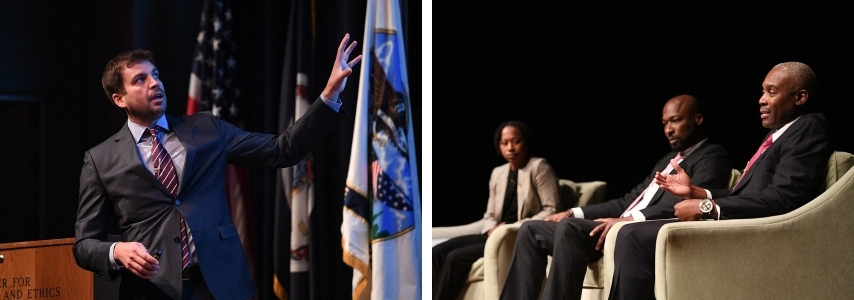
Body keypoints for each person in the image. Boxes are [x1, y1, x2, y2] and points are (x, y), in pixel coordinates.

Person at [72, 34, 362, 300]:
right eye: (140, 79)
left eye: (155, 75)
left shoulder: (205, 128)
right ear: (119, 99)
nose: (154, 83)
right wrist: (116, 250)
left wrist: (329, 97)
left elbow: (280, 150)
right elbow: (83, 245)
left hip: (221, 286)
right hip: (152, 290)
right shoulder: (100, 159)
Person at [607, 62, 834, 300]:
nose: (762, 100)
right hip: (739, 221)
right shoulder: (778, 134)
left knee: (633, 237)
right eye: (762, 92)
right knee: (629, 233)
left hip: (757, 232)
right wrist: (697, 193)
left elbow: (784, 197)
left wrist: (709, 208)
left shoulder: (808, 128)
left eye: (772, 92)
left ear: (800, 97)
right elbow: (747, 193)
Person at [499, 94, 734, 300]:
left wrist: (629, 220)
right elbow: (627, 201)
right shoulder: (666, 161)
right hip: (616, 227)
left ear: (698, 119)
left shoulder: (712, 155)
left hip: (638, 231)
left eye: (676, 120)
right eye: (664, 123)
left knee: (570, 228)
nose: (668, 129)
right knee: (531, 229)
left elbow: (690, 205)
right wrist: (573, 211)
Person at [433, 120, 562, 300]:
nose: (510, 148)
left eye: (516, 141)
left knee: (455, 257)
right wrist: (492, 227)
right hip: (494, 233)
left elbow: (552, 209)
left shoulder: (539, 167)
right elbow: (490, 215)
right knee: (437, 251)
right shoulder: (498, 173)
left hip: (516, 235)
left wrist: (511, 227)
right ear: (499, 145)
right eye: (505, 143)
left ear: (526, 142)